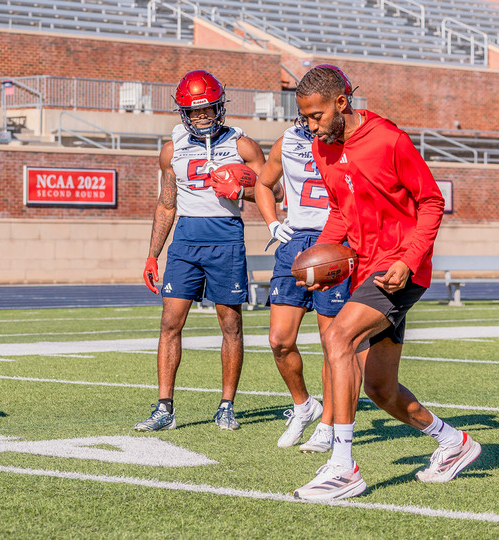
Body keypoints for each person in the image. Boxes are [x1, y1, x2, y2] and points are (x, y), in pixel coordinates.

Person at [291, 65, 481, 500]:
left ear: (341, 103)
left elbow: (432, 202)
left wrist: (410, 260)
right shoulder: (323, 150)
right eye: (304, 117)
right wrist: (317, 260)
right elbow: (339, 211)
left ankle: (343, 467)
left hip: (398, 272)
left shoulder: (389, 140)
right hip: (363, 269)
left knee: (338, 338)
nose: (310, 125)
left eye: (316, 115)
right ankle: (453, 442)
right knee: (380, 389)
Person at [135, 69, 280, 432]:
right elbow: (166, 205)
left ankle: (226, 405)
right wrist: (153, 254)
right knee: (170, 323)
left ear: (220, 107)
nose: (201, 117)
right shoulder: (172, 149)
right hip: (185, 239)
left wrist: (240, 190)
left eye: (207, 110)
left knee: (230, 324)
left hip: (226, 237)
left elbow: (274, 192)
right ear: (183, 113)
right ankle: (164, 407)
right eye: (194, 112)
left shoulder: (242, 145)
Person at [254, 120, 351, 452]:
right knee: (279, 340)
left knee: (332, 342)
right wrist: (271, 222)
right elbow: (263, 184)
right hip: (295, 242)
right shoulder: (288, 141)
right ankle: (304, 405)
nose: (312, 120)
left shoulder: (350, 140)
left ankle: (327, 425)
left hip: (336, 242)